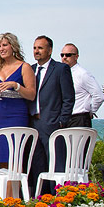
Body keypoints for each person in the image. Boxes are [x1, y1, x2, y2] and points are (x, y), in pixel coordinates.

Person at [0, 32, 36, 198]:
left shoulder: (24, 67)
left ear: (13, 46)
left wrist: (15, 85)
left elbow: (31, 94)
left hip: (16, 115)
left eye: (5, 45)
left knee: (15, 159)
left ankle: (13, 198)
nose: (1, 49)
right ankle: (1, 196)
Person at [30, 35, 75, 195]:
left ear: (49, 50)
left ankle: (58, 198)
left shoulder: (60, 69)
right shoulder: (31, 70)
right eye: (35, 48)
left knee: (55, 164)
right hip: (33, 124)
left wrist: (62, 121)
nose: (36, 51)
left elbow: (69, 98)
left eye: (40, 48)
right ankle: (40, 198)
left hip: (52, 123)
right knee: (37, 164)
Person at [61, 44, 103, 128]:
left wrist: (90, 111)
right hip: (64, 119)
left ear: (76, 56)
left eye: (68, 55)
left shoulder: (83, 74)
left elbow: (99, 96)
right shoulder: (62, 74)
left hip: (79, 118)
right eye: (62, 55)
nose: (64, 57)